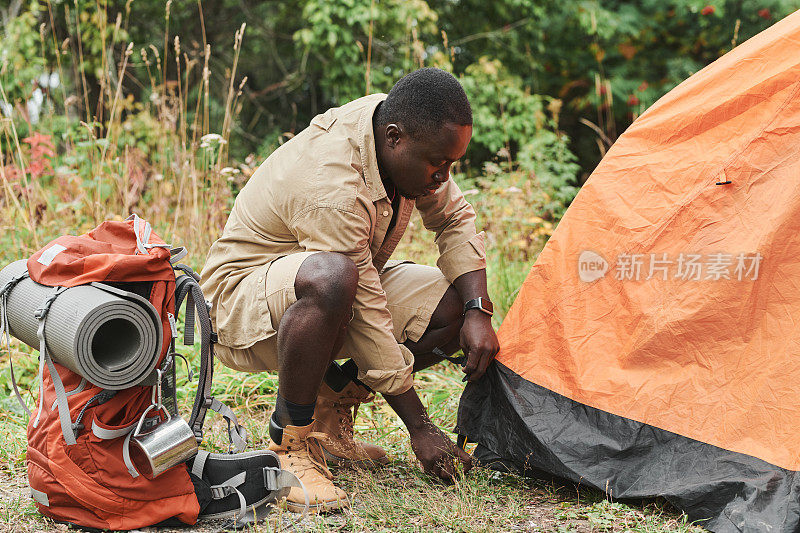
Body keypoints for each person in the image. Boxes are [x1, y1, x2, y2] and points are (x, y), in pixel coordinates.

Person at [200, 67, 500, 513]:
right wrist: (420, 427)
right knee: (335, 278)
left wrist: (478, 311)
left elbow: (454, 219)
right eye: (439, 164)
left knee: (452, 307)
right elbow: (366, 310)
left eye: (451, 164)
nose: (443, 176)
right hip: (241, 302)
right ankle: (290, 447)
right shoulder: (333, 180)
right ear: (395, 138)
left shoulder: (401, 134)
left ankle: (327, 418)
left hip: (336, 284)